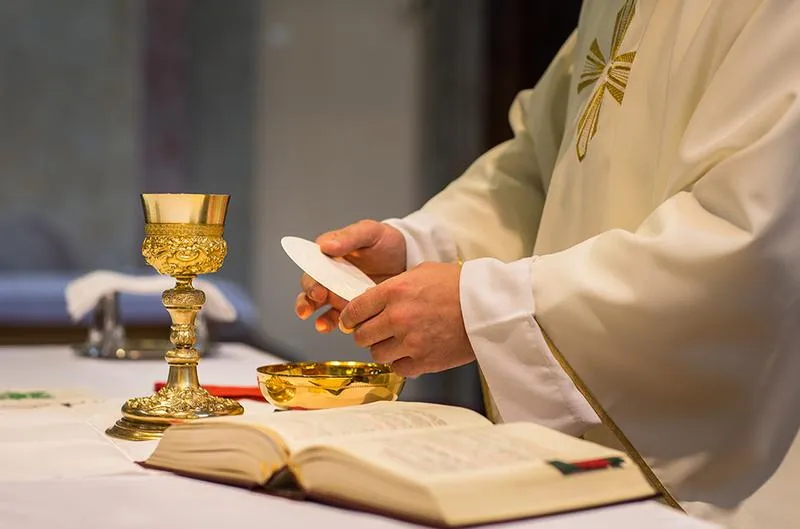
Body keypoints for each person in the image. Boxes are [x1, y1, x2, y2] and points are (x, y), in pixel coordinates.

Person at [294, 1, 800, 527]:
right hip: (585, 475)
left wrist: (481, 305)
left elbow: (749, 243)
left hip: (732, 475)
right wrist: (421, 249)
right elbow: (545, 169)